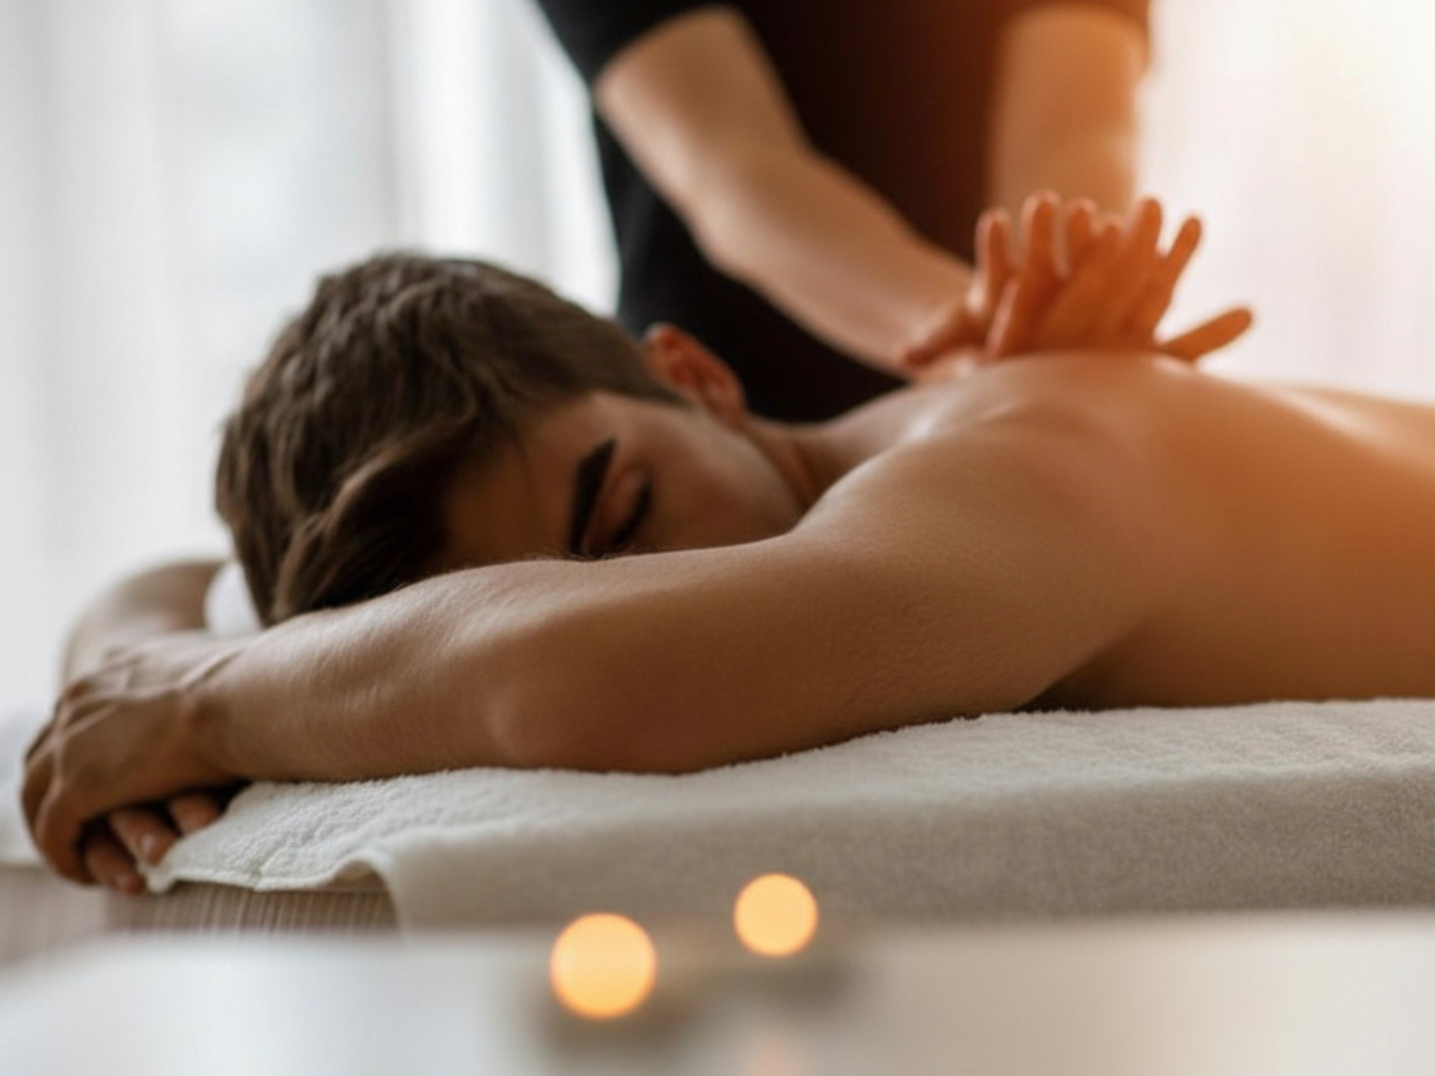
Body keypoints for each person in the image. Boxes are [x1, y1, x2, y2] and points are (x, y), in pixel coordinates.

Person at [30, 194, 1435, 901]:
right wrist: (136, 671)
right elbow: (169, 587)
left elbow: (579, 674)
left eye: (623, 520)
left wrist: (202, 702)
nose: (649, 595)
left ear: (694, 376)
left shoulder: (1017, 459)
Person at [528, 0, 1155, 419]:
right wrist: (978, 333)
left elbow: (1077, 131)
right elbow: (736, 173)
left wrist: (1054, 298)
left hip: (1000, 383)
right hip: (736, 411)